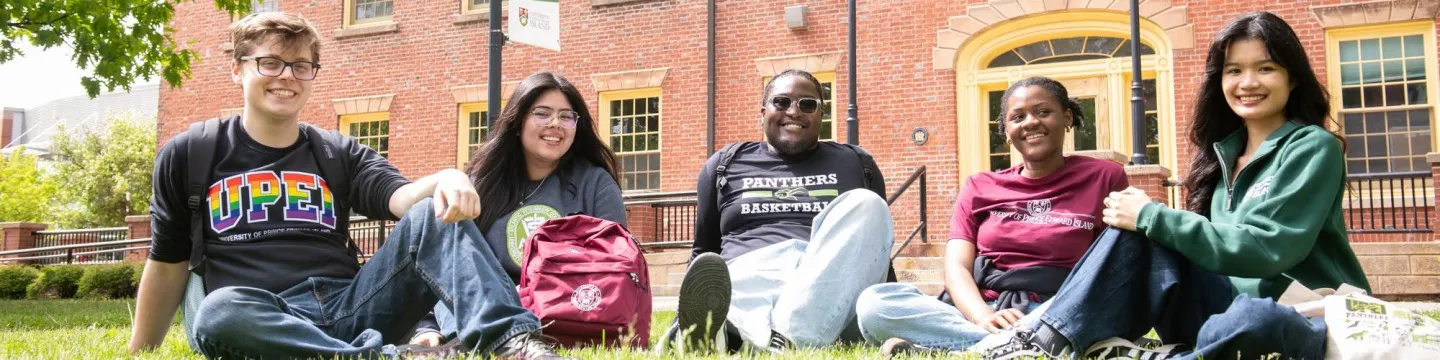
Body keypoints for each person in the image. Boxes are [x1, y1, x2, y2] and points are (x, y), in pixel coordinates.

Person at [127, 12, 565, 359]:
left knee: (432, 214)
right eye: (270, 62)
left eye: (301, 66)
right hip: (266, 313)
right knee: (218, 312)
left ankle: (514, 345)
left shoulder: (336, 152)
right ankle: (387, 357)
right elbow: (168, 261)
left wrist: (447, 178)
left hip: (353, 307)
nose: (287, 76)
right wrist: (139, 351)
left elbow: (400, 200)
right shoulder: (193, 153)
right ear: (238, 70)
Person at [973, 11, 1370, 360]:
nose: (1248, 82)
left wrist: (1154, 216)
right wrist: (1148, 220)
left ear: (1292, 78)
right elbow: (1194, 250)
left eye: (1265, 68)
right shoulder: (1222, 156)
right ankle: (1049, 336)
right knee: (1137, 230)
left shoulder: (1312, 147)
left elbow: (1269, 249)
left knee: (1253, 320)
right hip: (1223, 305)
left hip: (1301, 310)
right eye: (1234, 70)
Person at [854, 77, 1129, 356]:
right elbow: (957, 268)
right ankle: (1016, 346)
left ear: (1067, 117)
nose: (1031, 122)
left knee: (1087, 307)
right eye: (1018, 117)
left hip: (1057, 306)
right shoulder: (979, 186)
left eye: (1043, 112)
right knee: (875, 303)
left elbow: (1114, 262)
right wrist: (982, 316)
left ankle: (961, 349)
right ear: (1007, 132)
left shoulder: (1104, 177)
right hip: (982, 307)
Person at [661, 69, 895, 353]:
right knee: (740, 280)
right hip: (749, 273)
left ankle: (734, 334)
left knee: (867, 205)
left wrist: (887, 302)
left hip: (824, 283)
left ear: (822, 114)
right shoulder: (726, 164)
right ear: (763, 111)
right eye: (781, 102)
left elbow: (873, 248)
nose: (794, 112)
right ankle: (729, 330)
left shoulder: (857, 163)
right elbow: (704, 250)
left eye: (807, 104)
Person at [407, 71, 627, 346]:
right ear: (518, 121)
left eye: (566, 116)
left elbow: (616, 266)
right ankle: (489, 336)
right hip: (486, 304)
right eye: (542, 113)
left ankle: (498, 337)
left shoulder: (594, 183)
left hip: (565, 307)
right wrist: (426, 327)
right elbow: (440, 263)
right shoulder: (481, 184)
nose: (555, 124)